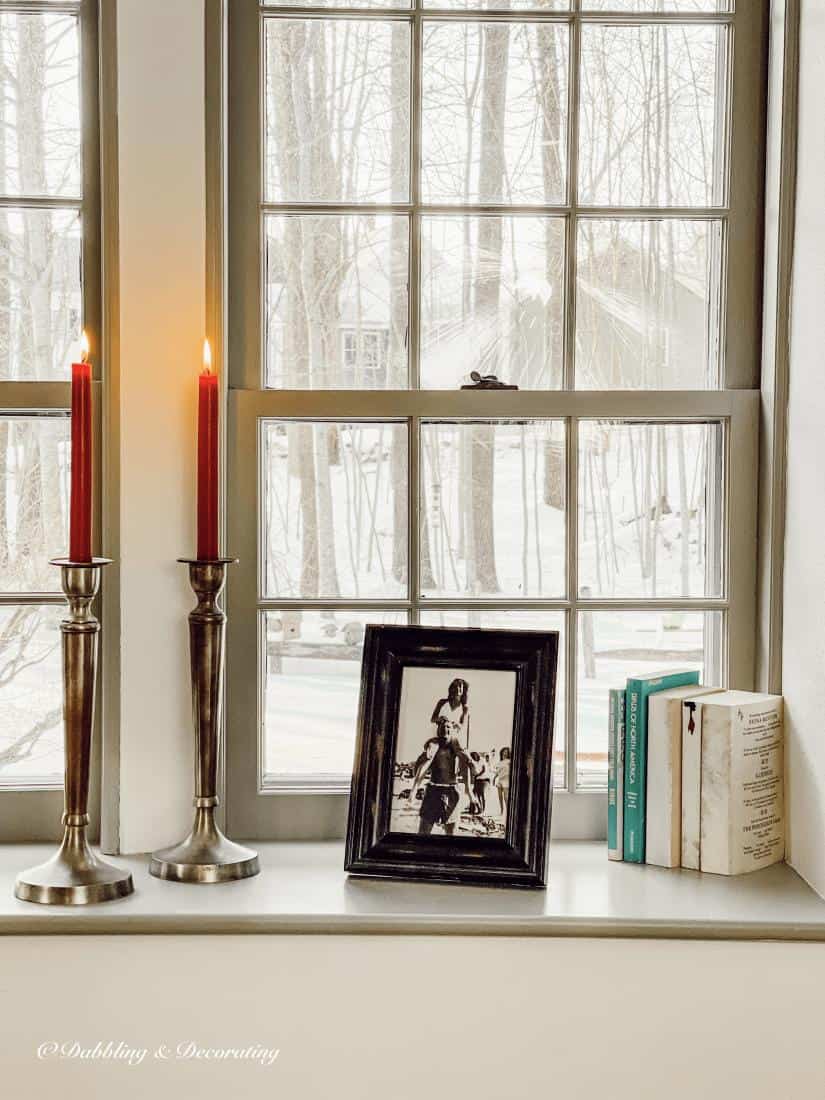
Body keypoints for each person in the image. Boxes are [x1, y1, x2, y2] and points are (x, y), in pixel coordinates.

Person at [409, 717, 477, 836]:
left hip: (451, 790)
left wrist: (470, 762)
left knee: (451, 833)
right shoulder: (433, 744)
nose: (445, 729)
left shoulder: (456, 744)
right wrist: (414, 789)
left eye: (448, 727)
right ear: (438, 729)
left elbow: (466, 765)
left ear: (453, 729)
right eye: (442, 727)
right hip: (433, 790)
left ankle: (469, 791)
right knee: (423, 832)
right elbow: (421, 769)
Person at [430, 678, 470, 748]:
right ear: (452, 689)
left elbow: (461, 726)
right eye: (455, 686)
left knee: (460, 749)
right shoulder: (442, 702)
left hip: (453, 736)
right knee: (430, 748)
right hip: (439, 733)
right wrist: (440, 719)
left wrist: (455, 724)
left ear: (464, 690)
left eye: (460, 686)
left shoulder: (464, 708)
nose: (458, 688)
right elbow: (432, 719)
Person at [493, 746, 511, 820]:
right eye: (504, 752)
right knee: (500, 797)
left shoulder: (510, 761)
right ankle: (502, 811)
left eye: (506, 752)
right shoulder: (499, 762)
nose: (505, 753)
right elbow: (497, 772)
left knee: (506, 797)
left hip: (507, 780)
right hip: (500, 780)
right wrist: (494, 778)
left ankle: (508, 812)